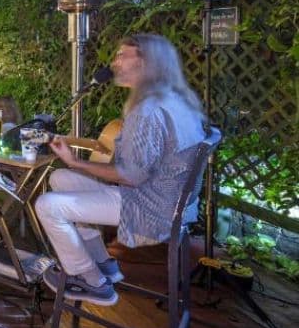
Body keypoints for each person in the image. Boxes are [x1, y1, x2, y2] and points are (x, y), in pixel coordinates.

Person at [36, 34, 206, 306]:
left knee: (47, 205)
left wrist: (76, 161)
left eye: (121, 55)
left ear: (145, 63)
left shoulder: (148, 109)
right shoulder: (176, 100)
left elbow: (130, 176)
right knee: (60, 178)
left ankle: (90, 280)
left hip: (150, 211)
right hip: (175, 205)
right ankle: (104, 263)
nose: (114, 62)